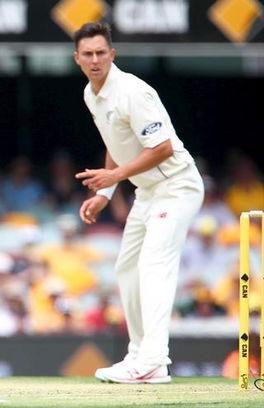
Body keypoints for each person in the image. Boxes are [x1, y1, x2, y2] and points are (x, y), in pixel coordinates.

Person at [73, 22, 204, 384]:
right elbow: (117, 144)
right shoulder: (91, 94)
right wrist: (104, 193)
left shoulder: (133, 92)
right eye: (88, 54)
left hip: (177, 186)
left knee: (153, 264)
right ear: (78, 59)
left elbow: (161, 147)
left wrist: (113, 179)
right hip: (147, 193)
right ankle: (143, 358)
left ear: (112, 54)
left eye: (101, 52)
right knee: (126, 269)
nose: (95, 59)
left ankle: (152, 358)